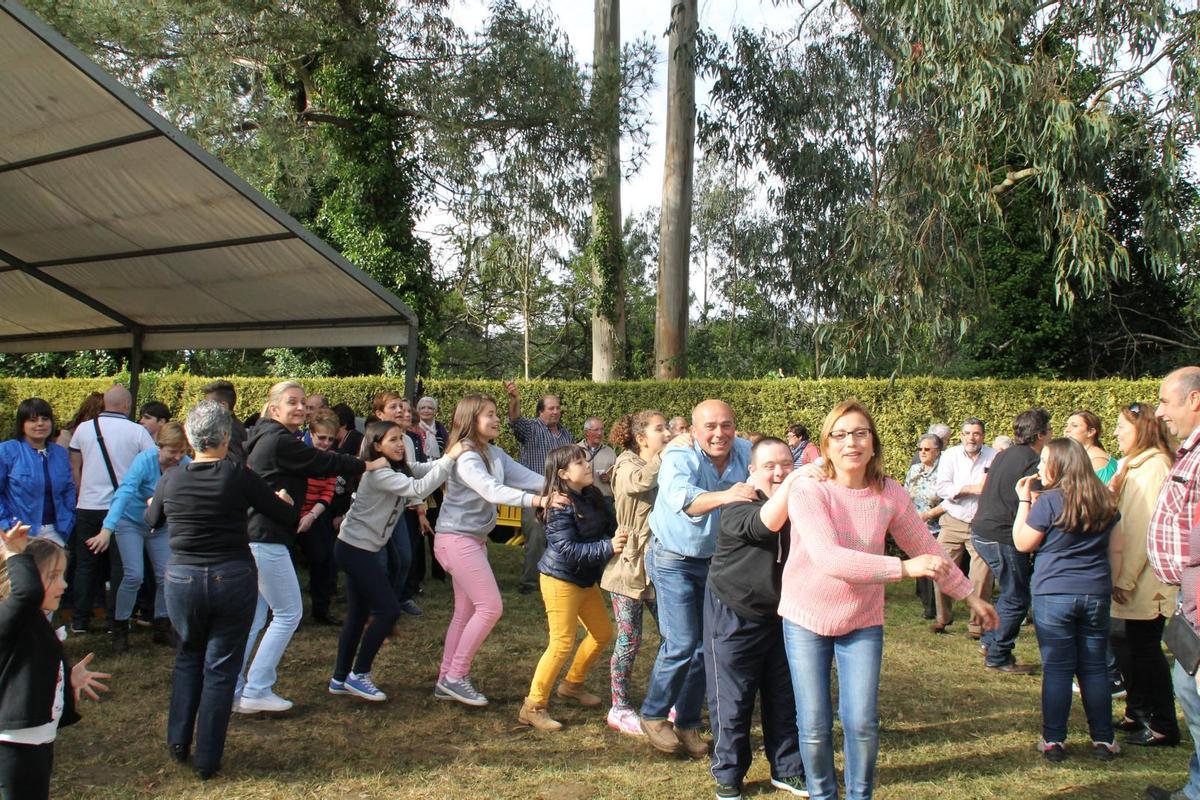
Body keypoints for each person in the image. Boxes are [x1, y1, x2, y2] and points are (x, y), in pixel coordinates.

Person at [782, 399, 997, 800]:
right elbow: (829, 558)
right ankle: (822, 795)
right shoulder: (809, 489)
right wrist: (901, 569)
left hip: (862, 618)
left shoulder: (889, 492)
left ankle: (859, 796)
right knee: (813, 724)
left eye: (860, 433)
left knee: (861, 721)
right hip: (806, 615)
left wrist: (970, 596)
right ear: (826, 445)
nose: (851, 442)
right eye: (840, 434)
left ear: (874, 443)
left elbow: (925, 546)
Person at [147, 400, 296, 780]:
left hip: (182, 578)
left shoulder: (172, 478)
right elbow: (283, 517)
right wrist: (283, 501)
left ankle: (179, 741)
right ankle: (207, 758)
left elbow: (151, 518)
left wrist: (156, 503)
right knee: (219, 667)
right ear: (226, 437)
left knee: (187, 656)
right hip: (231, 576)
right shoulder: (237, 475)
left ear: (190, 438)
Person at [237, 382, 383, 715]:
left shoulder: (267, 436)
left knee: (258, 616)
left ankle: (235, 686)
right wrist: (366, 466)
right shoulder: (279, 441)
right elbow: (322, 462)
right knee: (288, 613)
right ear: (274, 409)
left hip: (259, 535)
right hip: (266, 537)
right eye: (293, 403)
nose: (301, 408)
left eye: (304, 402)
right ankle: (257, 688)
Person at [640, 400, 756, 758]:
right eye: (710, 426)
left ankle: (687, 722)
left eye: (726, 425)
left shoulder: (745, 452)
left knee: (707, 646)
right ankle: (654, 714)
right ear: (693, 430)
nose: (719, 433)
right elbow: (682, 499)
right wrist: (729, 496)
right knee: (681, 642)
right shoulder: (681, 455)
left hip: (716, 560)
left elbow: (772, 472)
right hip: (672, 557)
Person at [433, 394, 563, 707]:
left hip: (471, 540)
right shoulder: (467, 456)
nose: (495, 420)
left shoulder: (493, 452)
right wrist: (537, 501)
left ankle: (444, 679)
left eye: (495, 414)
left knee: (465, 613)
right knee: (490, 607)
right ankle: (456, 676)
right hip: (455, 540)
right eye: (488, 415)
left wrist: (557, 484)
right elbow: (491, 489)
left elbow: (524, 476)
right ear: (470, 420)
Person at [330, 421, 464, 702]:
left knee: (357, 615)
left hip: (359, 548)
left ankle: (340, 678)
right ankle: (360, 674)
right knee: (388, 610)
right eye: (393, 440)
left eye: (401, 439)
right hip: (355, 550)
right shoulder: (380, 473)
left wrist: (449, 457)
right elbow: (420, 486)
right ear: (377, 445)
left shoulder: (396, 468)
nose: (400, 444)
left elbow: (426, 471)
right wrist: (450, 458)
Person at [705, 438, 807, 800]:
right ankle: (729, 775)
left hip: (783, 616)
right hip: (734, 612)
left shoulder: (803, 505)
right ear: (752, 471)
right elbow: (763, 526)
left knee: (785, 697)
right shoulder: (738, 502)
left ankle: (789, 769)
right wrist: (796, 484)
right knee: (732, 700)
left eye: (786, 465)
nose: (779, 473)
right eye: (770, 466)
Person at [1014, 437, 1122, 762]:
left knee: (1058, 670)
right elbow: (1116, 549)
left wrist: (1024, 502)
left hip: (1054, 594)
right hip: (1095, 592)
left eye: (1045, 459)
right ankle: (1104, 740)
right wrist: (1111, 585)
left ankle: (1054, 741)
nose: (1039, 467)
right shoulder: (1105, 500)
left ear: (1061, 464)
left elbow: (1022, 542)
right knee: (1093, 668)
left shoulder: (1049, 501)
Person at [519, 445, 625, 732]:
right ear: (564, 473)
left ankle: (572, 685)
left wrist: (618, 533)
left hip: (583, 579)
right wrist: (608, 547)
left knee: (602, 633)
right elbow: (566, 549)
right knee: (561, 643)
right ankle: (533, 706)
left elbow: (607, 526)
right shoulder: (560, 505)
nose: (587, 465)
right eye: (579, 462)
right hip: (560, 579)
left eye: (585, 460)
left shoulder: (591, 494)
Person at [0, 526, 110, 800]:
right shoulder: (10, 618)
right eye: (53, 577)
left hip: (37, 740)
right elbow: (27, 594)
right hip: (13, 746)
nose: (64, 585)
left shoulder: (36, 620)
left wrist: (65, 677)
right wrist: (14, 553)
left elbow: (28, 664)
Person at [1109, 402, 1179, 747]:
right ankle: (1138, 712)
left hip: (1144, 581)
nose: (1117, 433)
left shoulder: (1152, 469)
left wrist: (1124, 580)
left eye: (1123, 427)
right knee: (1128, 644)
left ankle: (1162, 723)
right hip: (1137, 577)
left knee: (1145, 650)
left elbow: (1140, 530)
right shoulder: (1137, 466)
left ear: (1142, 429)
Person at [1145, 366, 1200, 800]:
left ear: (1194, 400)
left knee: (1192, 689)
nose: (1160, 412)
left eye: (1165, 401)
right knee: (1188, 686)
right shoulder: (1190, 450)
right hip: (1189, 595)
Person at [91, 422, 190, 651]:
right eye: (172, 451)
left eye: (182, 451)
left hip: (160, 527)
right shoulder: (144, 461)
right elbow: (124, 492)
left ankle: (162, 626)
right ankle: (119, 627)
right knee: (134, 575)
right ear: (159, 446)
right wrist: (107, 528)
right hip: (131, 523)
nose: (177, 457)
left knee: (167, 576)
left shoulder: (185, 465)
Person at [601, 410, 669, 736]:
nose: (667, 433)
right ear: (642, 438)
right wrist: (666, 455)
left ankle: (664, 700)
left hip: (658, 565)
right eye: (660, 429)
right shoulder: (626, 465)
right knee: (629, 640)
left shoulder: (661, 462)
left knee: (674, 637)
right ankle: (620, 707)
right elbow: (640, 483)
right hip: (629, 567)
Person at [68, 385, 156, 635]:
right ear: (127, 405)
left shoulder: (83, 429)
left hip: (87, 505)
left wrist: (80, 492)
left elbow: (75, 468)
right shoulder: (138, 432)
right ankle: (114, 620)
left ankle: (80, 619)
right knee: (121, 566)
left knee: (86, 565)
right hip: (123, 508)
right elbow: (151, 467)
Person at [971, 408, 1052, 673]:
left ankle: (990, 642)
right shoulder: (1032, 461)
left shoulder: (1004, 454)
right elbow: (1038, 500)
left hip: (983, 531)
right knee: (1017, 596)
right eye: (1049, 430)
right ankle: (998, 655)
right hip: (1003, 535)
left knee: (1009, 592)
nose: (1052, 435)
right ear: (1040, 435)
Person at [504, 381, 574, 594]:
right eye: (551, 408)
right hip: (534, 494)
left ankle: (556, 578)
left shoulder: (566, 434)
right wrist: (514, 399)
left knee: (560, 536)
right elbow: (514, 420)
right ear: (541, 411)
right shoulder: (531, 428)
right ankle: (529, 583)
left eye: (558, 408)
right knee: (535, 536)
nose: (555, 411)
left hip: (560, 493)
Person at [932, 417, 996, 637]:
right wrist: (971, 489)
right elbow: (942, 488)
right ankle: (943, 618)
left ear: (983, 436)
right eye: (968, 433)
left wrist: (975, 490)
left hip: (981, 523)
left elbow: (993, 489)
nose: (972, 437)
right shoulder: (949, 456)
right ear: (961, 436)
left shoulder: (994, 456)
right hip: (953, 520)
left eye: (976, 433)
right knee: (940, 569)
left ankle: (976, 626)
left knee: (981, 576)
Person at [370, 391, 422, 615]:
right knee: (380, 563)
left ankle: (396, 599)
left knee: (404, 558)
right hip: (375, 513)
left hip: (399, 509)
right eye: (394, 407)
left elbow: (411, 472)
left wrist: (419, 505)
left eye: (402, 406)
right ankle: (380, 606)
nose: (401, 410)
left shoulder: (407, 439)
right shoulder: (371, 441)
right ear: (379, 414)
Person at [0, 398, 75, 549]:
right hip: (17, 532)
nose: (40, 424)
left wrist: (68, 521)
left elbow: (69, 489)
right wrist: (7, 524)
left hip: (56, 532)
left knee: (54, 573)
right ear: (22, 425)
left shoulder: (60, 453)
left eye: (45, 419)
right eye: (33, 420)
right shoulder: (7, 451)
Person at [298, 411, 342, 626]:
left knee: (323, 559)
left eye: (330, 439)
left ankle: (321, 610)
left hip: (316, 514)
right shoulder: (298, 451)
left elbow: (328, 491)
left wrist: (312, 515)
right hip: (292, 513)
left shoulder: (332, 458)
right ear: (311, 433)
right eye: (321, 438)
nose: (325, 443)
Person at [904, 433, 945, 621]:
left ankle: (936, 608)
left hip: (937, 526)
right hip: (915, 526)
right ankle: (926, 604)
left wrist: (929, 515)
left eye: (927, 449)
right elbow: (905, 493)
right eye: (920, 449)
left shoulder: (943, 471)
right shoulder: (914, 470)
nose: (922, 452)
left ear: (937, 452)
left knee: (933, 568)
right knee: (920, 566)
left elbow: (948, 501)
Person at [415, 396, 449, 583]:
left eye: (430, 407)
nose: (426, 410)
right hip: (419, 482)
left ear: (435, 410)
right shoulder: (413, 430)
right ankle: (419, 572)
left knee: (436, 527)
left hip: (436, 484)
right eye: (422, 407)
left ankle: (439, 570)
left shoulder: (441, 430)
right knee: (419, 530)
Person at [1065, 410, 1118, 484]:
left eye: (1075, 426)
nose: (1067, 430)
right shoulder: (1078, 457)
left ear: (1091, 432)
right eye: (1066, 426)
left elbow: (1099, 494)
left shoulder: (1098, 462)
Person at [201, 380, 246, 466]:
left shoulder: (230, 430)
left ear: (223, 405)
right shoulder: (234, 426)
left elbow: (237, 463)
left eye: (209, 404)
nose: (206, 408)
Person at [579, 417, 617, 516]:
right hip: (583, 498)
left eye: (602, 429)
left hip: (605, 500)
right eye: (596, 430)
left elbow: (618, 477)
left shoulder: (610, 452)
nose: (600, 433)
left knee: (607, 530)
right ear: (586, 432)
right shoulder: (576, 450)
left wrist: (609, 478)